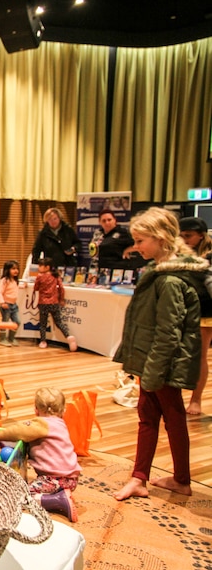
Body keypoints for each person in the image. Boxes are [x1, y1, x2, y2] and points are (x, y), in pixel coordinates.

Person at [112, 207, 206, 500]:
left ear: (162, 238)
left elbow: (168, 333)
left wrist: (151, 372)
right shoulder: (161, 272)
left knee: (163, 418)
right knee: (158, 417)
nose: (137, 246)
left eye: (141, 240)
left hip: (161, 365)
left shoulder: (169, 280)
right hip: (155, 363)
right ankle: (157, 478)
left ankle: (168, 479)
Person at [0, 387, 81, 522]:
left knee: (20, 496)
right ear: (64, 410)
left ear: (36, 409)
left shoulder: (42, 424)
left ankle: (58, 500)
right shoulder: (60, 423)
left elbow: (19, 430)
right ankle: (61, 493)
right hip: (72, 479)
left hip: (54, 479)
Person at [178, 216, 212, 415]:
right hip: (185, 309)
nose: (184, 240)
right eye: (181, 236)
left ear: (201, 235)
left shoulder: (208, 257)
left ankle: (196, 399)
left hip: (205, 311)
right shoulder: (182, 254)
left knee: (199, 356)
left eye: (188, 236)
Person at [34, 257, 77, 351]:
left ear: (47, 267)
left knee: (43, 323)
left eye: (41, 265)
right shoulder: (56, 275)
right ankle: (68, 336)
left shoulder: (40, 276)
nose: (39, 267)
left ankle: (43, 341)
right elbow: (61, 288)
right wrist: (61, 299)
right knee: (58, 322)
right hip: (54, 302)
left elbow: (36, 288)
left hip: (43, 303)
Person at [0, 259, 21, 347]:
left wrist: (23, 285)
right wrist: (2, 302)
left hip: (14, 305)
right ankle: (2, 338)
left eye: (17, 269)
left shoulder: (15, 280)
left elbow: (15, 289)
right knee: (5, 322)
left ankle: (11, 338)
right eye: (13, 269)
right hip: (6, 305)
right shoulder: (5, 280)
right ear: (7, 270)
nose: (16, 271)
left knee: (17, 321)